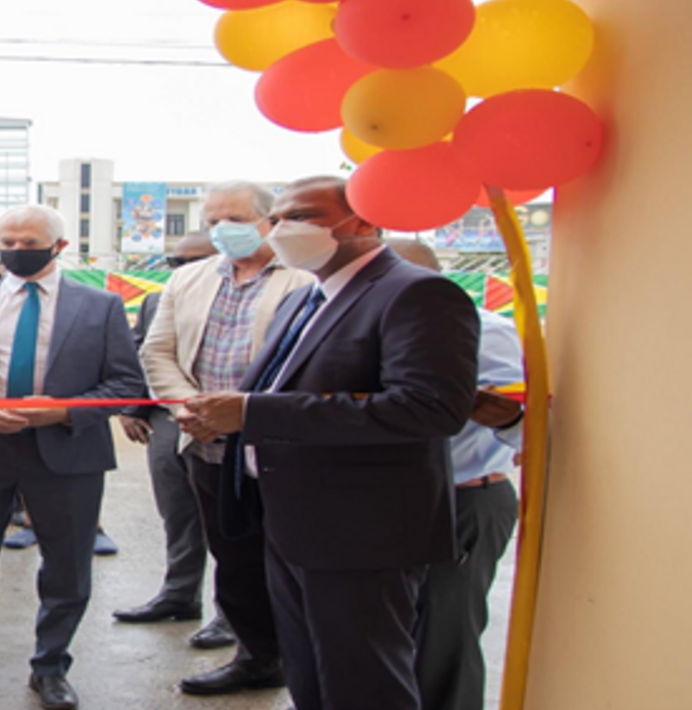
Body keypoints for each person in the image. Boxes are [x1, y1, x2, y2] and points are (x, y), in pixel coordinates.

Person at [181, 177, 479, 710]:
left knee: (364, 682)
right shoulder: (306, 298)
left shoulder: (416, 293)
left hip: (361, 532)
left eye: (302, 216)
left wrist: (252, 414)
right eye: (278, 218)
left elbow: (429, 407)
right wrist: (224, 419)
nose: (281, 229)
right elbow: (280, 389)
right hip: (289, 520)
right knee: (310, 677)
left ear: (362, 220)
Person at [0, 204, 145, 710]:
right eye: (8, 243)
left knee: (67, 570)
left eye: (30, 243)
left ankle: (51, 667)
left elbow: (126, 384)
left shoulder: (101, 306)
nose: (17, 251)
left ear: (59, 246)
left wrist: (64, 411)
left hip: (67, 452)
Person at [138, 184, 315, 696]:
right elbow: (157, 352)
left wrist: (243, 417)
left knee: (295, 563)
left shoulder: (306, 279)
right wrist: (189, 410)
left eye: (233, 219)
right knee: (234, 560)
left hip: (282, 449)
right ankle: (257, 658)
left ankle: (309, 666)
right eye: (212, 220)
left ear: (269, 221)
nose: (220, 230)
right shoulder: (188, 279)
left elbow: (310, 366)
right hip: (207, 446)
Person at [389, 239, 524, 710]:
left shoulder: (486, 330)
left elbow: (520, 420)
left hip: (462, 498)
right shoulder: (377, 329)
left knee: (444, 639)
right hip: (389, 500)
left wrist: (492, 409)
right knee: (390, 634)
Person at [111, 232, 218, 625]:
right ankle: (179, 595)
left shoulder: (252, 296)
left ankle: (233, 613)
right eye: (177, 263)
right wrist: (131, 408)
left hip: (226, 421)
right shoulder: (157, 300)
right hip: (167, 419)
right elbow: (141, 353)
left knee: (228, 519)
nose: (185, 270)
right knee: (177, 510)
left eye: (196, 261)